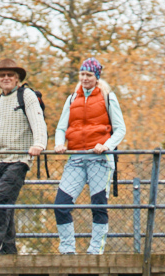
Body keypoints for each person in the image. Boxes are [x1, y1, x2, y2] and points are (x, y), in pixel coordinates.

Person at [52, 55, 126, 258]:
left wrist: (106, 145)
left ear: (97, 77)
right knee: (60, 205)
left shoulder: (108, 97)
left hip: (99, 160)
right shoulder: (72, 98)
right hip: (76, 158)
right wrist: (59, 143)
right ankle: (67, 250)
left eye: (89, 75)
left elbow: (120, 129)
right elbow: (61, 128)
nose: (84, 78)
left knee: (98, 206)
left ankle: (95, 252)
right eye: (82, 74)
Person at [0, 58, 48, 256]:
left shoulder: (26, 95)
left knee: (1, 201)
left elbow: (38, 122)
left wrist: (39, 144)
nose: (6, 78)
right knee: (1, 205)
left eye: (10, 75)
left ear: (17, 78)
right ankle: (9, 249)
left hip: (17, 160)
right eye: (2, 75)